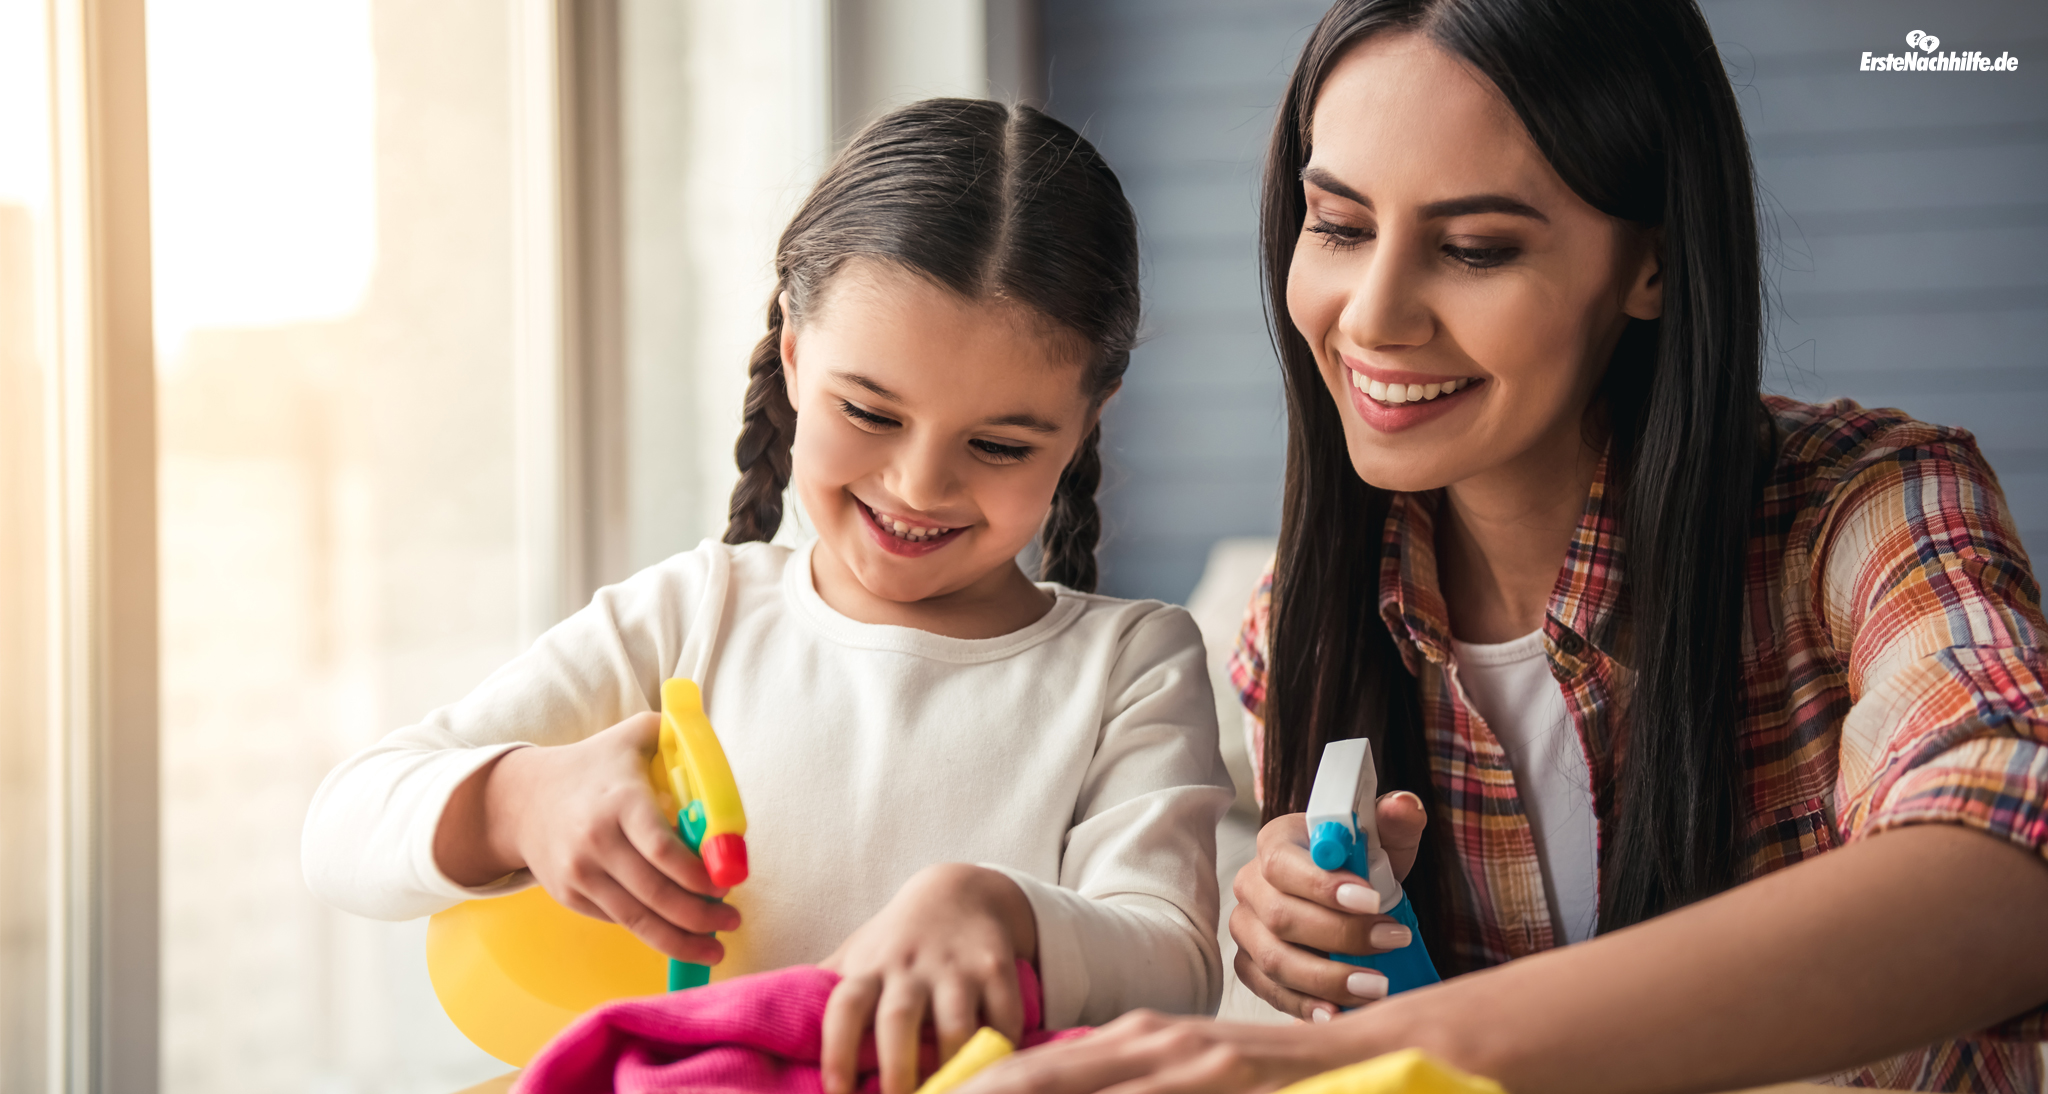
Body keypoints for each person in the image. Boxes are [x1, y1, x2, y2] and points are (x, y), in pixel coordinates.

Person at [959, 2, 2048, 1092]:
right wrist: (1304, 932)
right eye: (1337, 225)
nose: (1373, 316)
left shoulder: (1867, 508)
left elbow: (2010, 864)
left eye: (1473, 248)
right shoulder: (1307, 608)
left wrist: (1353, 1047)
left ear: (1651, 266)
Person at [301, 99, 1233, 1094]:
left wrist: (998, 907)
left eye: (1000, 444)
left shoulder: (1131, 662)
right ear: (792, 353)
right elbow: (343, 826)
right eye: (869, 410)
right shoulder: (685, 619)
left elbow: (1175, 965)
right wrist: (518, 797)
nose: (919, 484)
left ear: (1088, 416)